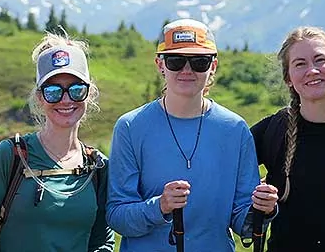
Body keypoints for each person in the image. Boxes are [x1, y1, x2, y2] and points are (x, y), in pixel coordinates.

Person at [106, 18, 277, 251]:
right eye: (176, 61)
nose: (187, 70)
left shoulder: (235, 130)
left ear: (213, 66)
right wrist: (161, 206)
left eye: (199, 62)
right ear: (160, 65)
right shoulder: (130, 127)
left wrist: (261, 209)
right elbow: (117, 216)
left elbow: (243, 223)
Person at [0, 31, 115, 251]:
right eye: (53, 91)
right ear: (39, 97)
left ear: (88, 95)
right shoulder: (12, 155)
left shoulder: (97, 167)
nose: (66, 99)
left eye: (76, 90)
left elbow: (102, 241)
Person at [250, 26, 325, 251]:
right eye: (300, 64)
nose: (312, 70)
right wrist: (257, 201)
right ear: (288, 78)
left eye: (319, 60)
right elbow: (224, 177)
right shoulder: (273, 131)